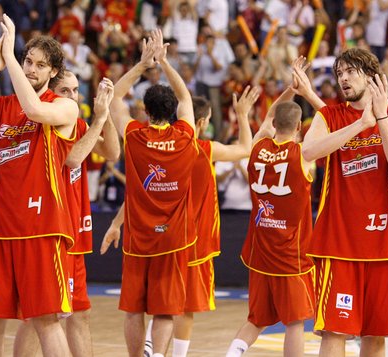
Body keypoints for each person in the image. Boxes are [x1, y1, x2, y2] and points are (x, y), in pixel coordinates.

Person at [0, 14, 79, 357]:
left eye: (40, 65)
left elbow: (34, 109)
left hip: (40, 229)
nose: (31, 69)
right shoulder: (0, 107)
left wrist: (9, 59)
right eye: (27, 61)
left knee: (45, 321)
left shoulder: (65, 106)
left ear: (53, 72)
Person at [102, 88, 260, 357]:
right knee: (180, 307)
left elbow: (138, 194)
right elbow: (246, 148)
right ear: (200, 122)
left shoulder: (155, 144)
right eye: (208, 119)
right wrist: (243, 116)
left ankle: (150, 347)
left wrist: (117, 223)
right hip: (189, 240)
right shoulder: (202, 148)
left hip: (159, 237)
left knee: (147, 304)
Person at [302, 48, 388, 356]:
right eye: (339, 74)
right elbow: (309, 152)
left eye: (350, 72)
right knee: (334, 333)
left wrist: (379, 118)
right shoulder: (329, 116)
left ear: (370, 76)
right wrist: (360, 125)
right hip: (338, 243)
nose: (343, 79)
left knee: (376, 336)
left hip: (385, 243)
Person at [101, 29, 198, 357]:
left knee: (133, 309)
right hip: (173, 239)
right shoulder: (186, 135)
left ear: (144, 109)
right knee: (165, 310)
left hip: (139, 237)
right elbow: (185, 98)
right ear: (172, 112)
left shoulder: (135, 135)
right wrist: (166, 64)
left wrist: (144, 64)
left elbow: (114, 98)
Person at [13, 71, 120, 357]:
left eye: (76, 90)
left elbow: (112, 152)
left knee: (79, 313)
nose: (74, 97)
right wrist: (97, 120)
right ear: (51, 94)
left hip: (74, 232)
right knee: (38, 317)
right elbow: (73, 158)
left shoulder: (80, 124)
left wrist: (105, 113)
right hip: (50, 231)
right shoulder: (47, 127)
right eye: (66, 91)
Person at [225, 57, 326, 357]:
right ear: (298, 126)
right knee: (295, 323)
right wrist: (304, 91)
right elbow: (331, 120)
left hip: (260, 250)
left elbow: (270, 116)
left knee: (255, 320)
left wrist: (290, 91)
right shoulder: (304, 154)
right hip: (289, 253)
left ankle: (232, 354)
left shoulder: (258, 146)